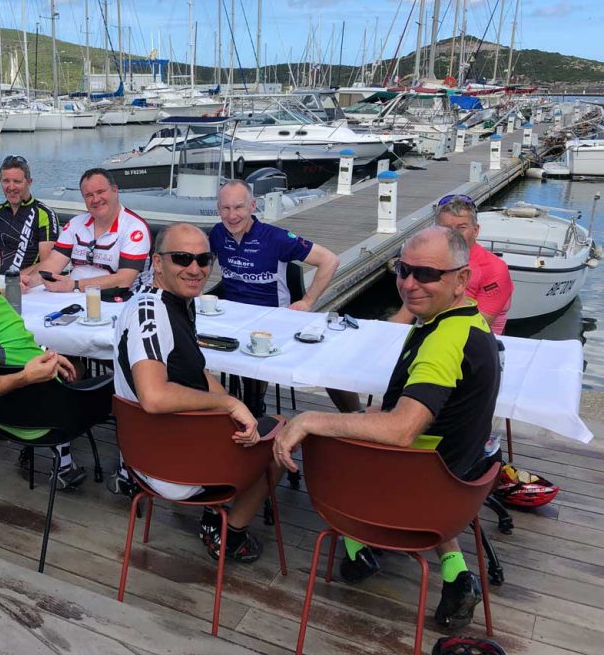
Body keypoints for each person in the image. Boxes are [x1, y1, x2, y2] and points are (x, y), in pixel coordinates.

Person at [274, 226, 501, 631]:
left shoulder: (446, 339)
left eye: (427, 274)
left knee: (318, 439)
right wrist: (380, 413)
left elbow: (401, 431)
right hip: (455, 485)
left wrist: (309, 420)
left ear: (462, 280)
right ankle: (455, 573)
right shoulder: (466, 322)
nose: (410, 284)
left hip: (417, 492)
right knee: (358, 422)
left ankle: (358, 546)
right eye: (403, 270)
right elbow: (425, 411)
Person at [114, 222, 283, 563]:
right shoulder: (152, 312)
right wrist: (229, 402)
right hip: (167, 468)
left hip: (155, 450)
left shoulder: (176, 302)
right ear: (157, 263)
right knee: (286, 431)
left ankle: (213, 512)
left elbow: (196, 373)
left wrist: (230, 410)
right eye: (182, 258)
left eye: (204, 259)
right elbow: (155, 396)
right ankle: (230, 533)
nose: (195, 268)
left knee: (249, 421)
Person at [0, 219, 91, 490]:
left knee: (74, 365)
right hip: (36, 415)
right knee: (120, 387)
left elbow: (6, 344)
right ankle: (132, 476)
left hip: (17, 406)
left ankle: (61, 456)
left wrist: (45, 355)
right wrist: (25, 377)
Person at [209, 179, 355, 412]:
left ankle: (354, 415)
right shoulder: (217, 234)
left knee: (329, 363)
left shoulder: (275, 238)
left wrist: (307, 301)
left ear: (253, 206)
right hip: (231, 320)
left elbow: (329, 260)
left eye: (238, 207)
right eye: (225, 208)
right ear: (218, 209)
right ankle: (225, 408)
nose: (232, 215)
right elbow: (200, 265)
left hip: (273, 322)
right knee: (185, 346)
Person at [390, 194, 513, 335]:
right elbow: (402, 317)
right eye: (445, 228)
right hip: (432, 332)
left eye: (461, 227)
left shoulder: (494, 268)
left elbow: (474, 328)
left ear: (475, 230)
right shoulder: (429, 260)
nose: (453, 235)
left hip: (474, 344)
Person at [30, 168, 150, 294]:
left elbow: (124, 280)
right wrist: (29, 281)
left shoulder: (135, 228)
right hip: (75, 297)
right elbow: (53, 263)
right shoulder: (75, 224)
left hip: (121, 300)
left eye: (100, 192)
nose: (96, 199)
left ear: (115, 190)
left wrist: (75, 285)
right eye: (89, 195)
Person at [0, 155, 59, 286]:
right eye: (6, 181)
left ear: (29, 182)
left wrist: (17, 280)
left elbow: (49, 263)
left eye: (17, 181)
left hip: (27, 285)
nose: (11, 187)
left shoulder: (44, 214)